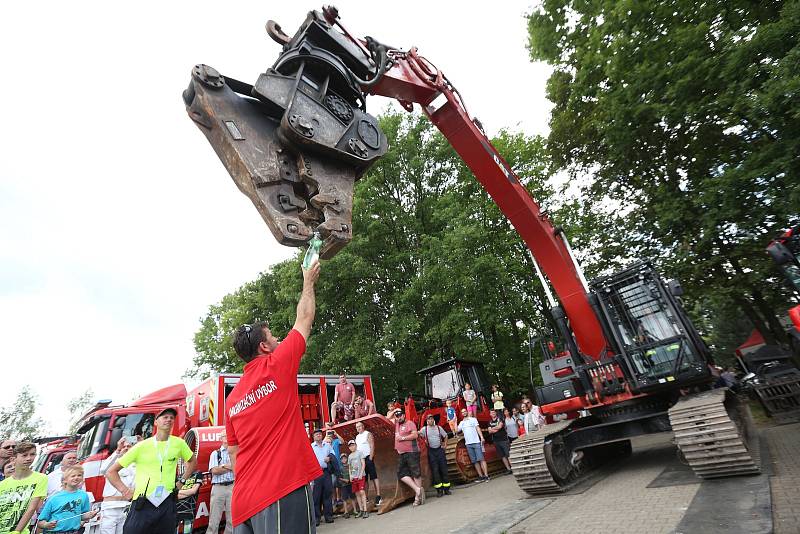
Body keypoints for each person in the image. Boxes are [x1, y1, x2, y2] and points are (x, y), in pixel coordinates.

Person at [224, 260, 322, 534]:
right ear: (264, 346)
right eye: (273, 336)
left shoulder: (232, 400)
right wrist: (308, 282)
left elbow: (234, 451)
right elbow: (304, 319)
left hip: (244, 502)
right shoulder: (276, 365)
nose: (279, 338)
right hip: (282, 490)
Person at [105, 407, 197, 534]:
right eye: (165, 417)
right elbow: (111, 472)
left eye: (171, 418)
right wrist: (125, 491)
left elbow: (193, 461)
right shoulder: (141, 446)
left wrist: (182, 481)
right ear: (156, 422)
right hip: (143, 502)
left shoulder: (179, 443)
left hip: (167, 501)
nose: (169, 420)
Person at [0, 441, 48, 534]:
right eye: (24, 455)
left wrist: (17, 531)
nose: (29, 458)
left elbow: (32, 508)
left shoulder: (41, 478)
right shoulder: (2, 484)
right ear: (13, 459)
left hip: (21, 531)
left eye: (32, 454)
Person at [37, 465, 98, 533]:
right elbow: (40, 523)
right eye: (73, 476)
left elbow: (81, 516)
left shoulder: (84, 495)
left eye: (79, 475)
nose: (76, 478)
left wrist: (89, 515)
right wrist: (46, 525)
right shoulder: (54, 498)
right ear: (64, 480)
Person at [99, 436, 138, 534]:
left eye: (129, 446)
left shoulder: (136, 465)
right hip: (110, 508)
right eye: (124, 446)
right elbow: (103, 470)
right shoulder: (113, 462)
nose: (126, 448)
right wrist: (117, 451)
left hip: (127, 507)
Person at [393, 410, 424, 506]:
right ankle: (417, 489)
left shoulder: (410, 423)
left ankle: (417, 498)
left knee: (416, 473)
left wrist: (402, 438)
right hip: (402, 453)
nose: (399, 418)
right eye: (397, 416)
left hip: (412, 452)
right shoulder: (397, 425)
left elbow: (415, 435)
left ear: (403, 415)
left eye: (400, 416)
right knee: (401, 473)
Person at [207, 432, 234, 534]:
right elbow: (214, 471)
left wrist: (222, 466)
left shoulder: (235, 453)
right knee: (213, 520)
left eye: (229, 435)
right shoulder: (215, 453)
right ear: (221, 439)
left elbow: (237, 467)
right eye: (225, 436)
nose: (227, 438)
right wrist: (229, 466)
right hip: (218, 488)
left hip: (232, 486)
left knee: (231, 520)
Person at [417, 415, 450, 497]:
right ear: (427, 421)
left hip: (440, 450)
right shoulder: (424, 429)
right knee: (435, 471)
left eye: (431, 419)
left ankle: (446, 489)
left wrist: (445, 445)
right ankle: (439, 490)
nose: (430, 420)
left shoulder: (439, 428)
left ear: (433, 420)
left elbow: (445, 436)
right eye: (428, 419)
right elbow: (418, 434)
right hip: (431, 451)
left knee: (444, 469)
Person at [354, 421, 381, 506]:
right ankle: (366, 497)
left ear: (363, 426)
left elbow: (372, 445)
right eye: (357, 427)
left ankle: (378, 496)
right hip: (361, 460)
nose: (358, 428)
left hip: (368, 457)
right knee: (364, 479)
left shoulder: (368, 434)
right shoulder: (357, 437)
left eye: (360, 426)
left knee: (373, 477)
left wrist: (370, 457)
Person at [310, 429, 334, 526]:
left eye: (320, 434)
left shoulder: (327, 445)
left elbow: (333, 455)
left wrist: (330, 458)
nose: (319, 436)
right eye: (316, 435)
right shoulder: (311, 447)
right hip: (316, 473)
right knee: (316, 496)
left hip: (326, 472)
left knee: (327, 494)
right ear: (314, 437)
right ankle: (316, 518)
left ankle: (328, 516)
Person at [457, 408, 488, 482]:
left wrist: (482, 437)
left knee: (481, 459)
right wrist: (453, 422)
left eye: (465, 411)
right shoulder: (461, 423)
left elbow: (478, 428)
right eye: (462, 412)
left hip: (476, 442)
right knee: (474, 461)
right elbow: (456, 430)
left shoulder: (473, 419)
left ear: (467, 412)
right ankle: (481, 476)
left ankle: (486, 476)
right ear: (461, 414)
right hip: (468, 444)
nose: (464, 413)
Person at [175, 467, 202, 534]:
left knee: (187, 532)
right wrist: (188, 492)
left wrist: (179, 492)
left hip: (190, 510)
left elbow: (194, 491)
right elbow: (175, 495)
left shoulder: (198, 474)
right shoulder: (178, 477)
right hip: (176, 510)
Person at [346, 440, 368, 519]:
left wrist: (361, 474)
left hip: (360, 476)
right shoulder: (350, 456)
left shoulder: (360, 453)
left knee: (362, 492)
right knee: (357, 493)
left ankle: (365, 510)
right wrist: (350, 475)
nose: (352, 447)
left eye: (353, 445)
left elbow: (363, 463)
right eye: (350, 446)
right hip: (354, 477)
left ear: (356, 445)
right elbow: (350, 467)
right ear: (349, 447)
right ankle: (361, 510)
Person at [488, 409, 512, 474]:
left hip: (503, 439)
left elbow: (500, 426)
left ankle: (513, 468)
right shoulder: (489, 422)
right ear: (490, 414)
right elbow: (489, 431)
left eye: (494, 412)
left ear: (496, 413)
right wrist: (496, 428)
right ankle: (508, 469)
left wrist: (493, 428)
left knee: (508, 454)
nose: (493, 413)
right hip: (496, 441)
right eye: (491, 413)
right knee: (502, 456)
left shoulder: (500, 419)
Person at [335, 452, 356, 518]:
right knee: (344, 499)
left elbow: (353, 473)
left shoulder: (350, 466)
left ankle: (355, 510)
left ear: (347, 459)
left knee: (352, 497)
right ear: (341, 460)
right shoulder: (340, 468)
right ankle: (346, 511)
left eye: (345, 458)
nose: (344, 460)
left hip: (350, 484)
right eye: (342, 459)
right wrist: (345, 480)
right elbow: (339, 477)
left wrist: (350, 479)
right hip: (344, 485)